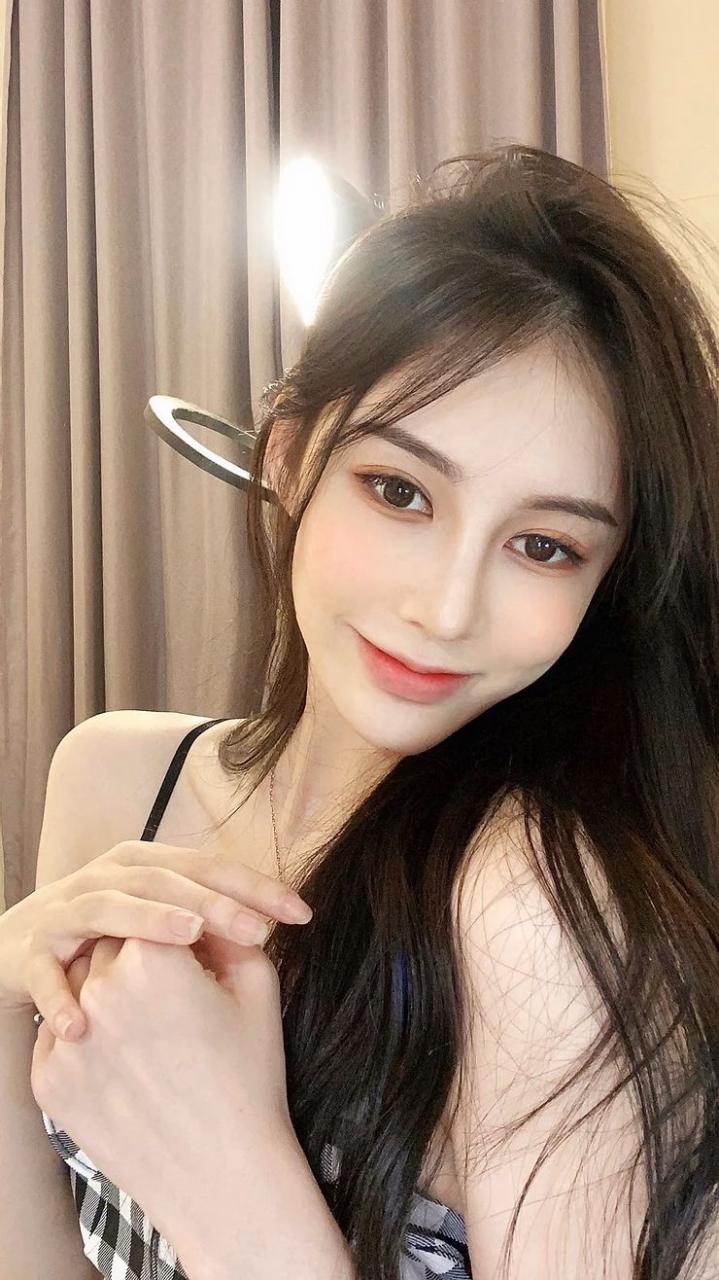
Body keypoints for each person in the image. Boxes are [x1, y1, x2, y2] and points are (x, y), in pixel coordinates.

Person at [2, 142, 719, 1280]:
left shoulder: (529, 913)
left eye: (543, 545)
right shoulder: (114, 781)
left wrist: (229, 1180)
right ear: (289, 457)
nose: (445, 608)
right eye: (398, 490)